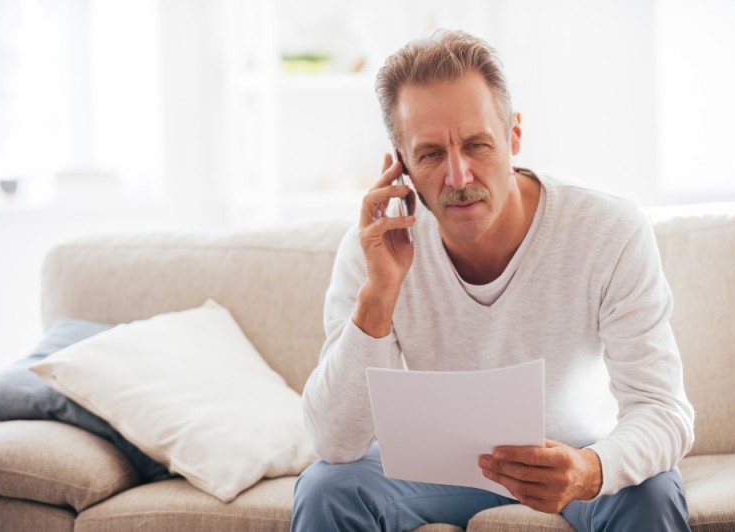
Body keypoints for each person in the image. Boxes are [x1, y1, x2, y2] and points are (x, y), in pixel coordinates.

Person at [291, 29, 694, 532]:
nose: (458, 177)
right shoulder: (375, 249)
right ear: (401, 166)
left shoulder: (609, 231)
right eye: (431, 154)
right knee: (326, 488)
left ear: (513, 137)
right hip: (430, 474)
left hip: (574, 457)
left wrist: (591, 470)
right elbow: (334, 442)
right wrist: (379, 294)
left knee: (652, 491)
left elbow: (664, 410)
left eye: (477, 145)